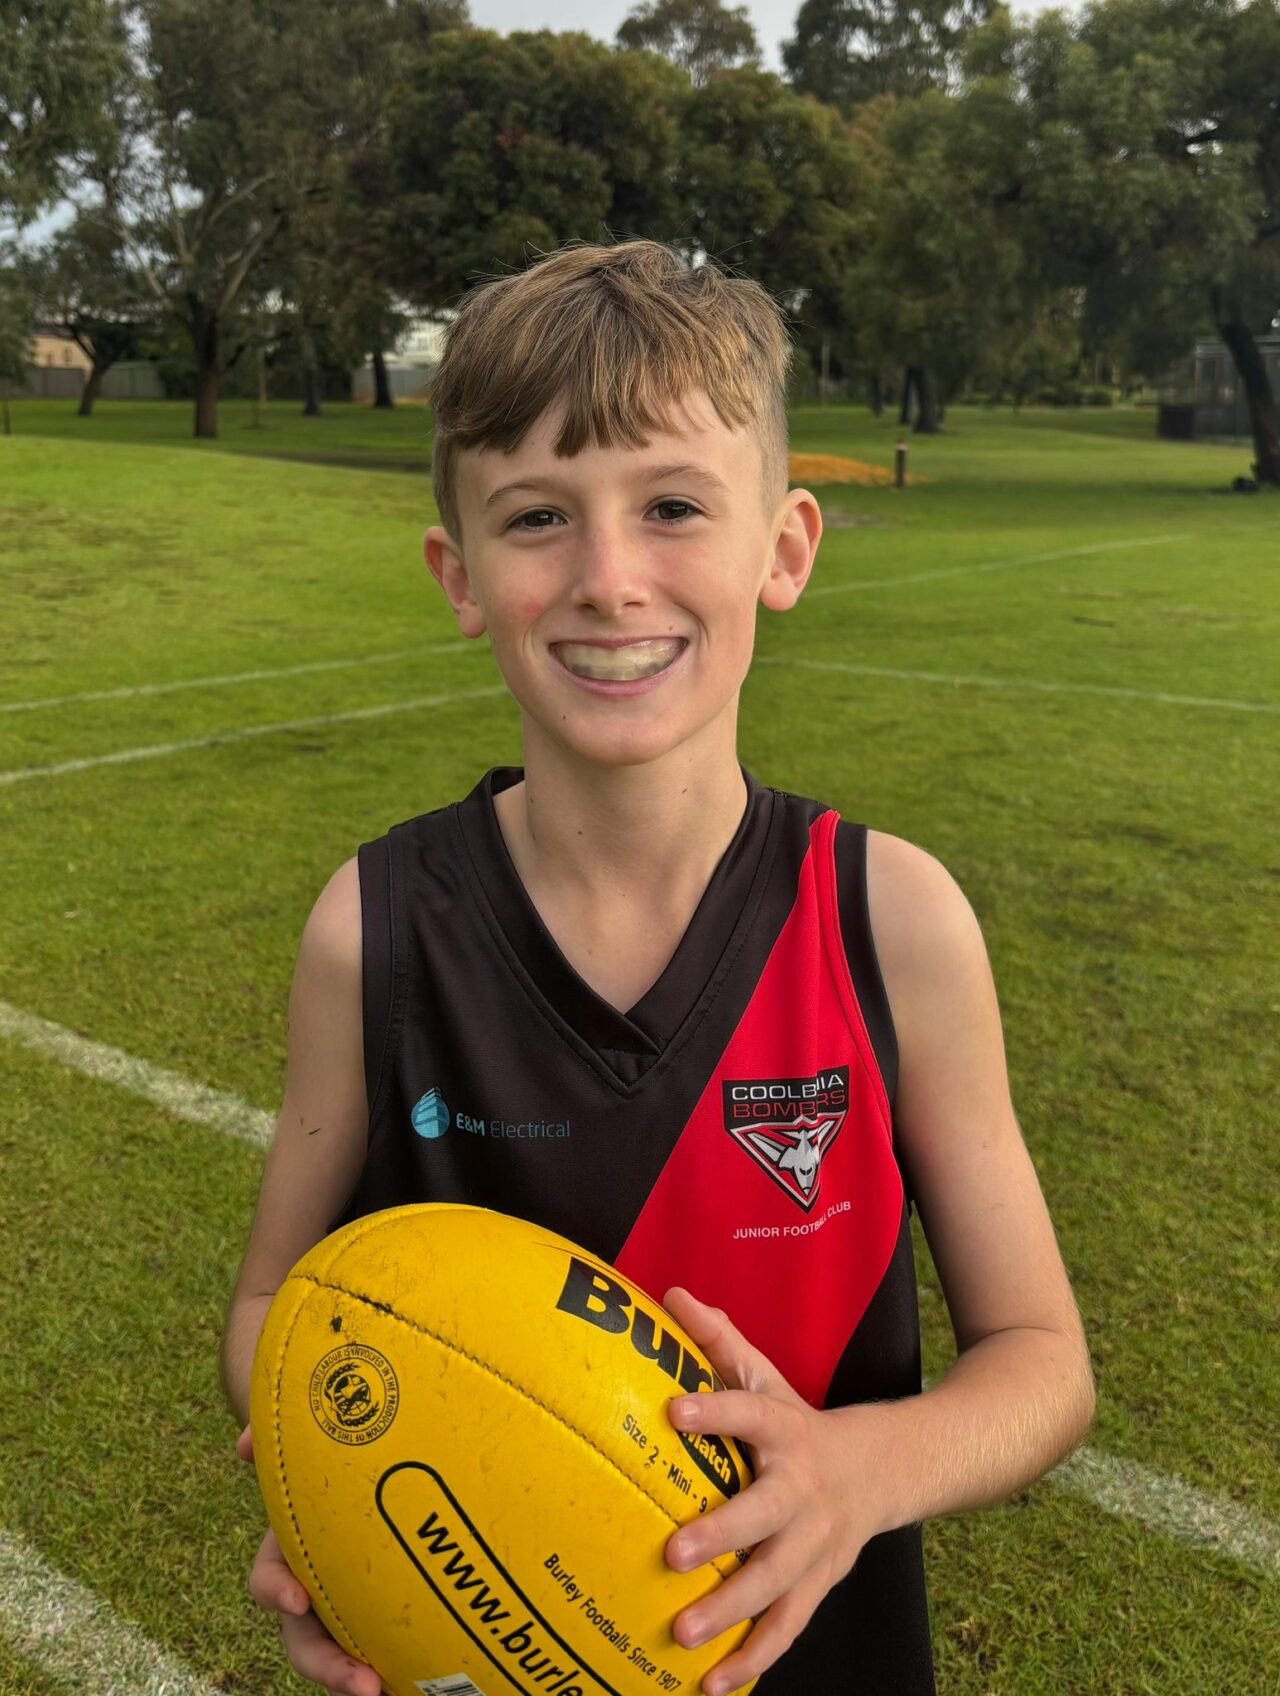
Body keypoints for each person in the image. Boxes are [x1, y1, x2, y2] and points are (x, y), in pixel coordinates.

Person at [220, 238, 1096, 1696]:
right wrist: (337, 1487)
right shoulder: (373, 930)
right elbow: (271, 1314)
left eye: (674, 507)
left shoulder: (891, 922)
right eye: (537, 518)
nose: (610, 581)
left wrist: (856, 1472)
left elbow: (1041, 1357)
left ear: (785, 549)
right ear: (459, 575)